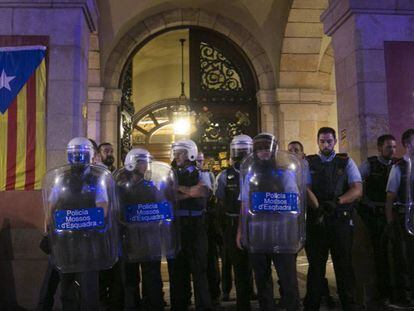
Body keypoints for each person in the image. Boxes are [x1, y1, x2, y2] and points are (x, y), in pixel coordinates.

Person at [43, 137, 116, 311]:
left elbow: (102, 207)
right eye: (75, 154)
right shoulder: (61, 179)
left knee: (89, 284)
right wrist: (47, 230)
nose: (78, 158)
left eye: (81, 154)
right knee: (66, 283)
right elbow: (51, 206)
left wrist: (86, 221)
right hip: (65, 239)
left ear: (89, 155)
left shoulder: (96, 179)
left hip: (88, 238)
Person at [237, 133, 302, 311]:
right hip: (258, 232)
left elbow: (294, 201)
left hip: (281, 232)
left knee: (288, 279)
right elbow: (244, 204)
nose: (263, 152)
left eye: (267, 148)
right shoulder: (249, 175)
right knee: (262, 280)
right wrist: (241, 232)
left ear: (273, 150)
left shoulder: (285, 173)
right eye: (259, 149)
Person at [304, 127, 362, 311]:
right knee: (315, 267)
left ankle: (349, 305)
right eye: (322, 141)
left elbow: (357, 189)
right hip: (317, 221)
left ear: (335, 141)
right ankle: (311, 305)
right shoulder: (309, 162)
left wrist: (338, 202)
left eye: (329, 141)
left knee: (344, 265)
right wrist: (318, 208)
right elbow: (305, 188)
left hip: (340, 220)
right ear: (317, 141)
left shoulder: (345, 162)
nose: (326, 144)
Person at [116, 148, 171, 311]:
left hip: (144, 236)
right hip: (134, 237)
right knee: (135, 277)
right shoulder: (123, 187)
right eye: (143, 163)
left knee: (148, 276)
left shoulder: (138, 186)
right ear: (133, 164)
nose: (147, 166)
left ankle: (147, 304)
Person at [287, 141, 336, 309]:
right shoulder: (285, 171)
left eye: (296, 150)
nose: (293, 152)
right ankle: (290, 297)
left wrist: (318, 210)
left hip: (310, 219)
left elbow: (308, 191)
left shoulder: (307, 168)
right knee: (288, 262)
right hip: (291, 221)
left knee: (315, 260)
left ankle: (319, 296)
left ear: (302, 153)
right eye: (290, 150)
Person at [169, 139, 213, 311]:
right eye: (176, 152)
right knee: (177, 269)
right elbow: (167, 196)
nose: (176, 156)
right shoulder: (170, 173)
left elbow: (203, 191)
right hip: (177, 225)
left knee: (199, 268)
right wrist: (190, 192)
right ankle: (179, 304)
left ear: (190, 154)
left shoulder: (201, 173)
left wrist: (180, 189)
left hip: (196, 225)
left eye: (180, 152)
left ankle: (204, 305)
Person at [358, 134, 397, 307]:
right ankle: (382, 293)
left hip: (394, 214)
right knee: (379, 255)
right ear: (380, 148)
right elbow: (356, 184)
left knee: (396, 255)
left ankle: (396, 290)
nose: (393, 150)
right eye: (389, 147)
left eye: (394, 147)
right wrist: (367, 204)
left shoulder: (398, 165)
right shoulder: (370, 164)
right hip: (374, 216)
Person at [216, 134, 254, 310]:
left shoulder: (256, 173)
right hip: (232, 223)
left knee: (258, 264)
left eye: (244, 151)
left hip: (254, 224)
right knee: (238, 265)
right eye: (237, 151)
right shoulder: (225, 175)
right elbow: (221, 200)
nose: (241, 155)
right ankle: (242, 303)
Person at [385, 128, 414, 308]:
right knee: (405, 258)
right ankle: (405, 296)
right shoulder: (399, 168)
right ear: (407, 144)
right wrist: (389, 223)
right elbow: (390, 197)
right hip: (405, 220)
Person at [98, 141, 124, 311]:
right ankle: (102, 301)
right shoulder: (96, 173)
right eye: (106, 151)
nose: (110, 153)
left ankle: (117, 303)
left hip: (117, 226)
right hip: (101, 228)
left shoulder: (118, 172)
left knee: (117, 269)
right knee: (102, 267)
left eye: (112, 151)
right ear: (99, 153)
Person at [196, 152, 222, 305]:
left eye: (201, 160)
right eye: (197, 160)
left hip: (209, 221)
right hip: (197, 222)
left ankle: (214, 293)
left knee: (211, 258)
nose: (199, 163)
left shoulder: (208, 175)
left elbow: (211, 194)